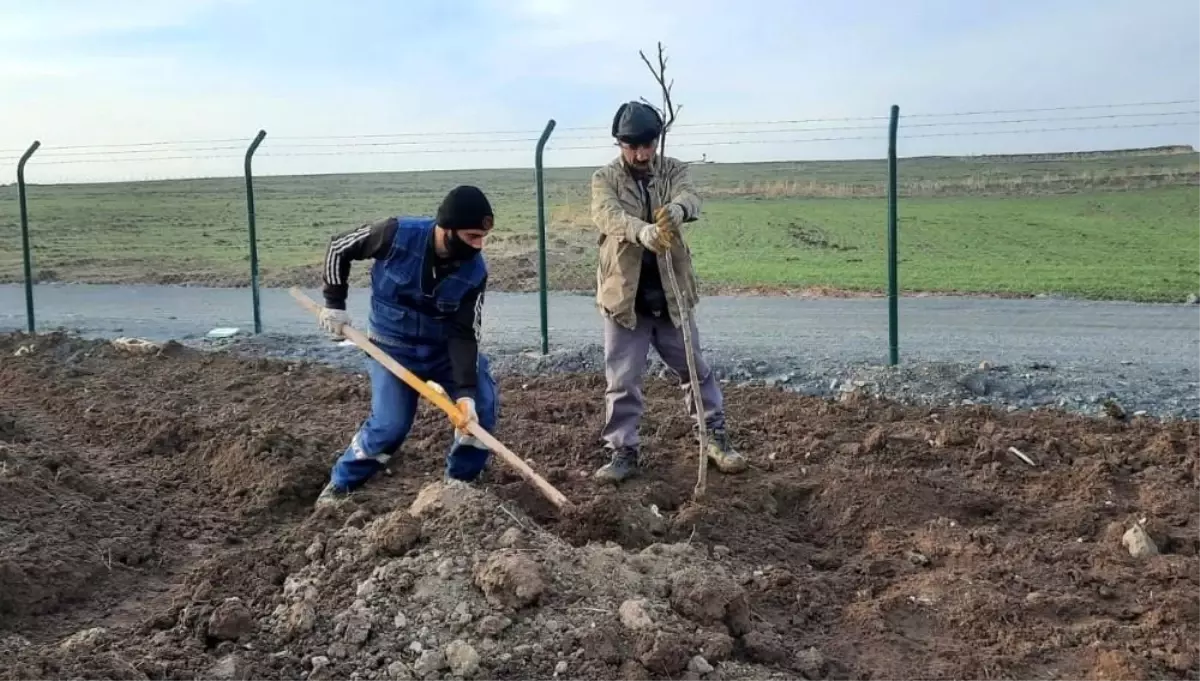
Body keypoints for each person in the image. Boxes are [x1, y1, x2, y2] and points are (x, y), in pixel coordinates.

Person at [588, 100, 748, 483]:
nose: (642, 154)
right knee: (622, 381)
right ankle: (623, 451)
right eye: (633, 147)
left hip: (672, 294)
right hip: (626, 300)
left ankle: (714, 438)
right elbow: (605, 214)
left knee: (695, 370)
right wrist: (639, 231)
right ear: (620, 144)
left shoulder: (672, 170)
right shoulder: (604, 178)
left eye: (649, 145)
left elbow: (691, 195)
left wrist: (677, 210)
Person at [314, 185, 498, 505]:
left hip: (442, 350)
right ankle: (341, 484)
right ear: (447, 229)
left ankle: (459, 486)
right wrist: (334, 303)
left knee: (480, 410)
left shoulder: (475, 271)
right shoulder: (395, 234)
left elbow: (465, 333)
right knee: (389, 425)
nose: (479, 245)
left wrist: (465, 392)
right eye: (472, 236)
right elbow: (338, 247)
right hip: (390, 348)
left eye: (482, 237)